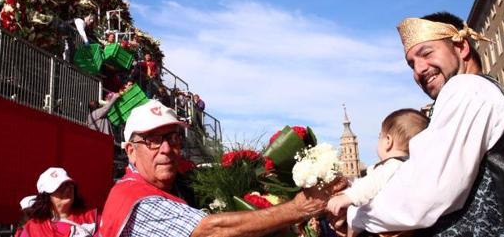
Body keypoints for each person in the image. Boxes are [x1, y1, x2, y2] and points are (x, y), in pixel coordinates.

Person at [345, 12, 504, 236]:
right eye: (412, 65)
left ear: (461, 47)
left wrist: (357, 217)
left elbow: (427, 191)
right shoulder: (478, 90)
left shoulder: (466, 90)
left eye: (426, 53)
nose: (419, 69)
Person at [98, 99, 335, 237]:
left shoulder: (181, 181)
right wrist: (298, 208)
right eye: (153, 140)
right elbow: (211, 230)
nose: (167, 148)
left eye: (173, 137)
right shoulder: (134, 200)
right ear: (130, 150)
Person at [327, 109, 428, 236]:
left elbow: (372, 183)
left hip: (375, 229)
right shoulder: (410, 165)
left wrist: (348, 196)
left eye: (379, 136)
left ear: (388, 141)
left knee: (353, 214)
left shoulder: (392, 165)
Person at [21, 168, 98, 237]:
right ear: (46, 196)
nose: (68, 189)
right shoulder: (32, 229)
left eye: (69, 185)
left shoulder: (92, 217)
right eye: (60, 187)